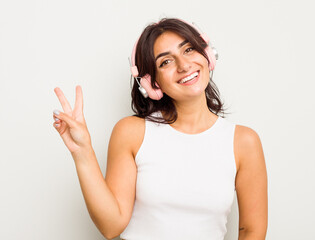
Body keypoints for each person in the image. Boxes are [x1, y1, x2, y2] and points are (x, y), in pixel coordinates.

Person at [52, 18, 268, 240]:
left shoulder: (244, 141)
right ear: (151, 83)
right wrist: (82, 152)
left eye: (189, 50)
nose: (184, 66)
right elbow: (111, 226)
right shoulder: (131, 132)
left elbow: (252, 230)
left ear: (208, 55)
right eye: (166, 62)